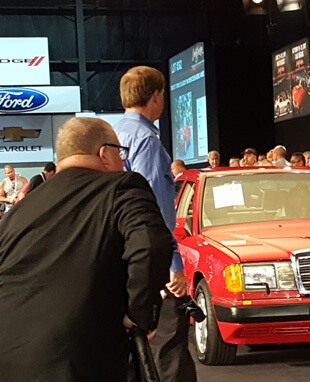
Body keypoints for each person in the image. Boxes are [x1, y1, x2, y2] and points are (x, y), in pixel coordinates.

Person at [0, 117, 172, 381]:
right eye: (120, 153)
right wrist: (140, 314)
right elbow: (151, 244)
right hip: (80, 360)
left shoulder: (20, 211)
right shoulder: (122, 187)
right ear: (104, 154)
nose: (122, 162)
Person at [112, 65, 196, 380]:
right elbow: (152, 208)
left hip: (124, 251)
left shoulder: (115, 133)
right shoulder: (146, 139)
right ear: (157, 96)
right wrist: (173, 264)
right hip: (151, 255)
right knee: (168, 343)